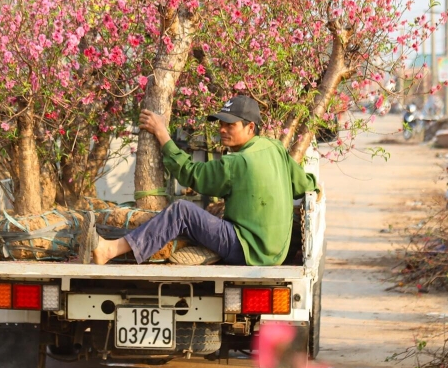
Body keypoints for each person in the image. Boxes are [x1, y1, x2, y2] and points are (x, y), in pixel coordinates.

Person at [79, 95, 318, 266]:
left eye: (230, 125)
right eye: (221, 124)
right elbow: (306, 186)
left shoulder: (236, 163)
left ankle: (110, 250)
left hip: (247, 250)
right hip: (275, 253)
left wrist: (162, 134)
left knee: (182, 212)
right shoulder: (275, 149)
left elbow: (191, 174)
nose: (222, 130)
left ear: (250, 127)